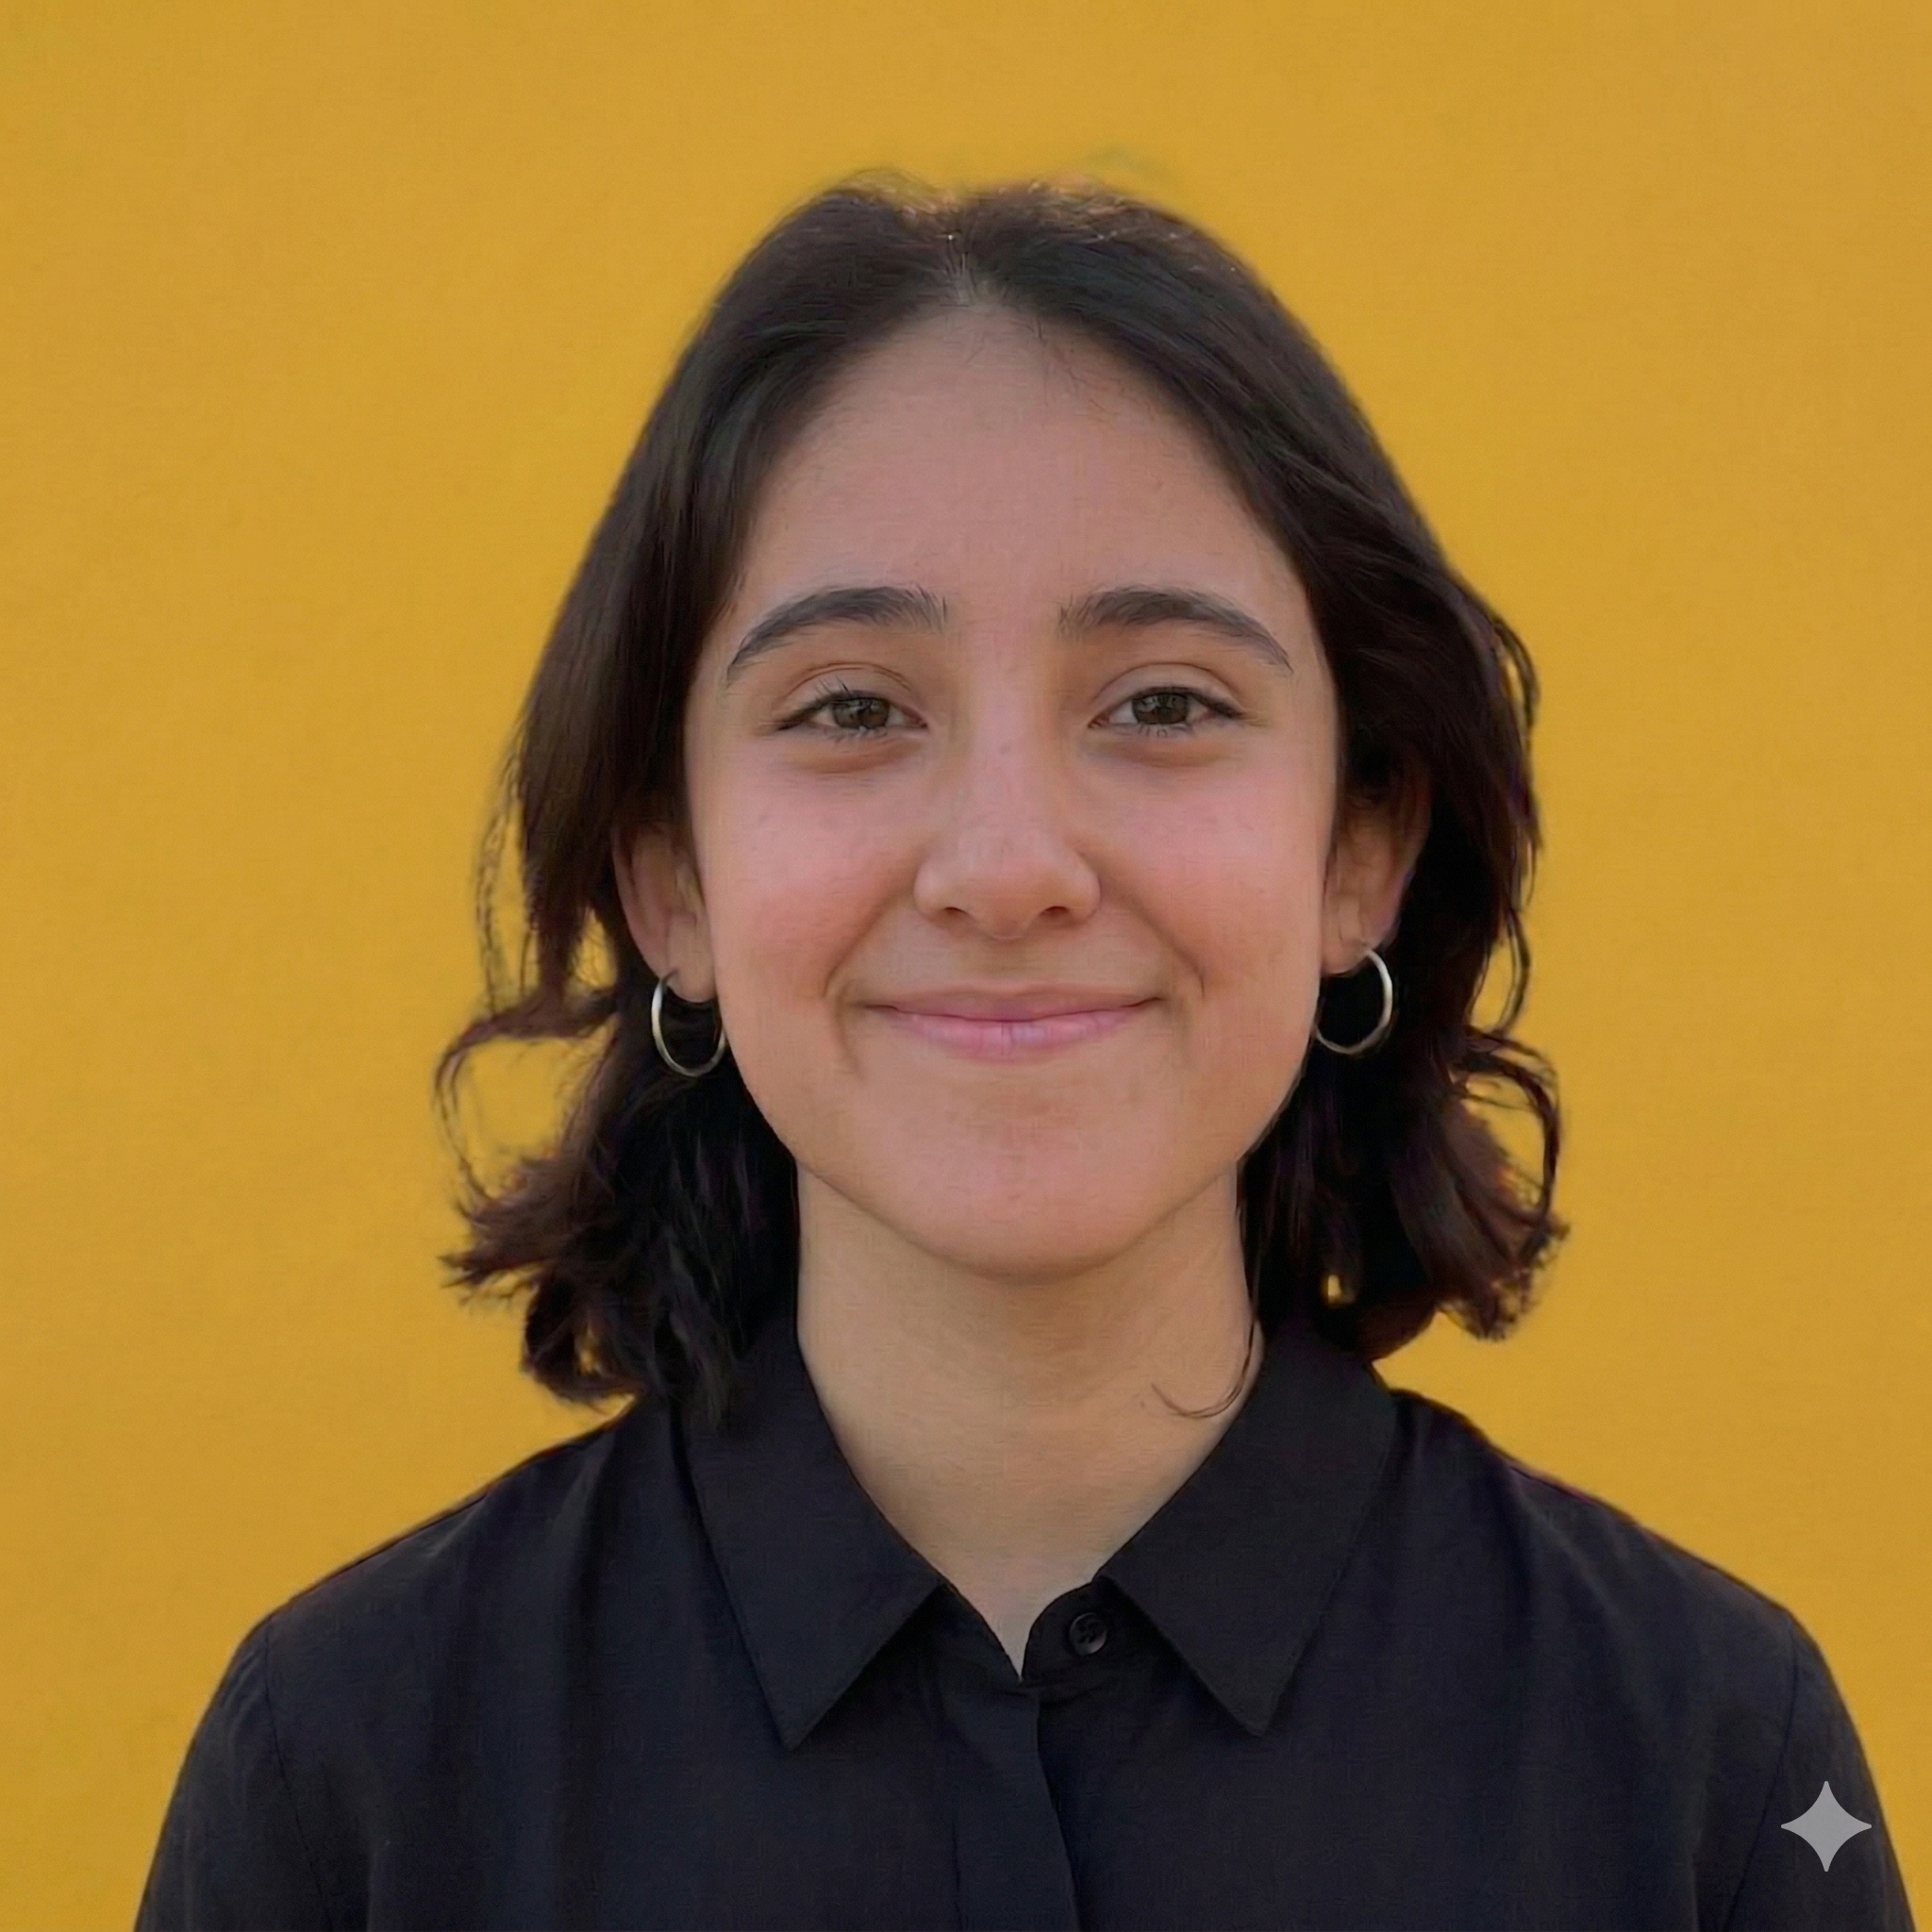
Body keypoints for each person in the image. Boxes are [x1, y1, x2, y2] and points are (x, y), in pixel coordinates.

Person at [136, 175, 1914, 1932]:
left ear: (1359, 851)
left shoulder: (1708, 1765)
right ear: (666, 874)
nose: (1006, 868)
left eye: (1164, 706)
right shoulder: (347, 1778)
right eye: (850, 708)